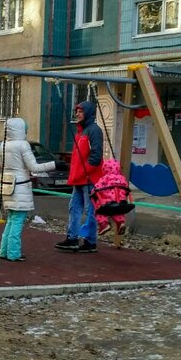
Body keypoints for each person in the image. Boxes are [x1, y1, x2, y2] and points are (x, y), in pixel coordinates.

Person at [0, 117, 56, 262]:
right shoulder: (23, 145)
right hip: (20, 186)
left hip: (7, 184)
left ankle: (4, 251)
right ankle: (13, 253)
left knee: (11, 219)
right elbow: (34, 167)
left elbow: (1, 164)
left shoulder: (3, 144)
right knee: (18, 221)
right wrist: (53, 165)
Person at [54, 100, 104, 253]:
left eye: (81, 111)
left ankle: (90, 241)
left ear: (88, 113)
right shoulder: (80, 132)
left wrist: (84, 171)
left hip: (89, 179)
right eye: (77, 111)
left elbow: (96, 156)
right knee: (74, 208)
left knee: (90, 210)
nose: (77, 114)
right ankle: (72, 238)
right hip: (80, 178)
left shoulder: (93, 131)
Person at [91, 158, 131, 237]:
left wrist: (92, 191)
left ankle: (104, 224)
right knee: (117, 211)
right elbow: (126, 188)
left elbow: (96, 188)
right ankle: (121, 223)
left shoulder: (104, 178)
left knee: (99, 210)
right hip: (121, 202)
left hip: (107, 203)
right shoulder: (122, 178)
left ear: (105, 169)